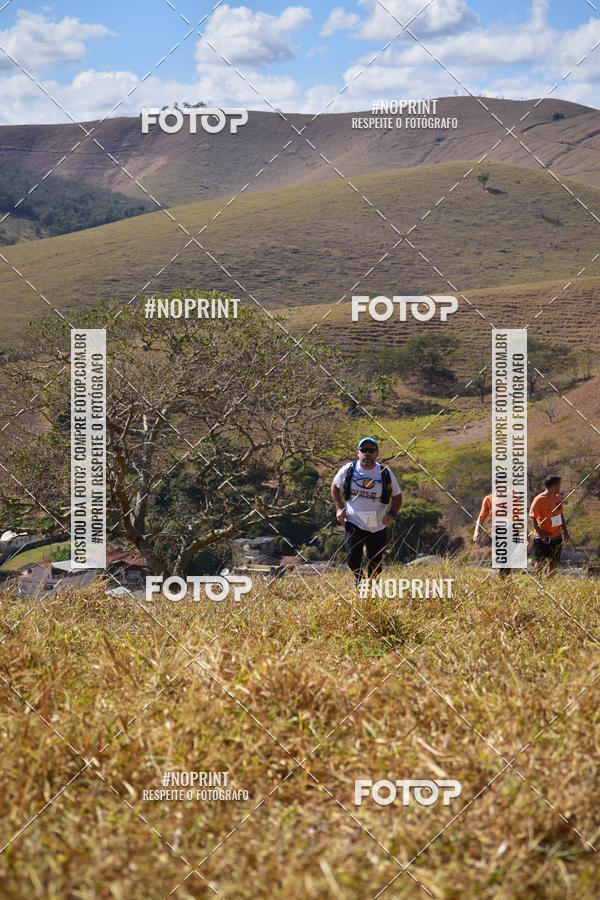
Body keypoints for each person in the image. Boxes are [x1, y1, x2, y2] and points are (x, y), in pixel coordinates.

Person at [331, 437, 402, 583]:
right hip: (354, 523)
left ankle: (371, 589)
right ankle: (358, 580)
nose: (367, 453)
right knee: (352, 559)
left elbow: (397, 497)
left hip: (377, 526)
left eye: (371, 450)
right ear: (358, 453)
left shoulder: (385, 473)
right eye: (363, 450)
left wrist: (392, 514)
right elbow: (335, 486)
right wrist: (339, 508)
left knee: (375, 564)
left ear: (377, 453)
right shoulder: (348, 470)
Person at [529, 475, 569, 577]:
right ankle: (538, 584)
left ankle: (548, 584)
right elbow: (533, 518)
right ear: (553, 485)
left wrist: (565, 531)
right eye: (559, 485)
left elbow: (561, 514)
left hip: (556, 536)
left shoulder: (558, 498)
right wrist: (541, 534)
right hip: (542, 538)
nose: (560, 487)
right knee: (540, 563)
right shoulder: (538, 499)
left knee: (554, 563)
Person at [473, 491, 512, 578]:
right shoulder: (488, 499)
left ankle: (505, 581)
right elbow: (481, 517)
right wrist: (476, 531)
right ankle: (504, 581)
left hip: (510, 531)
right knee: (504, 558)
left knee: (507, 559)